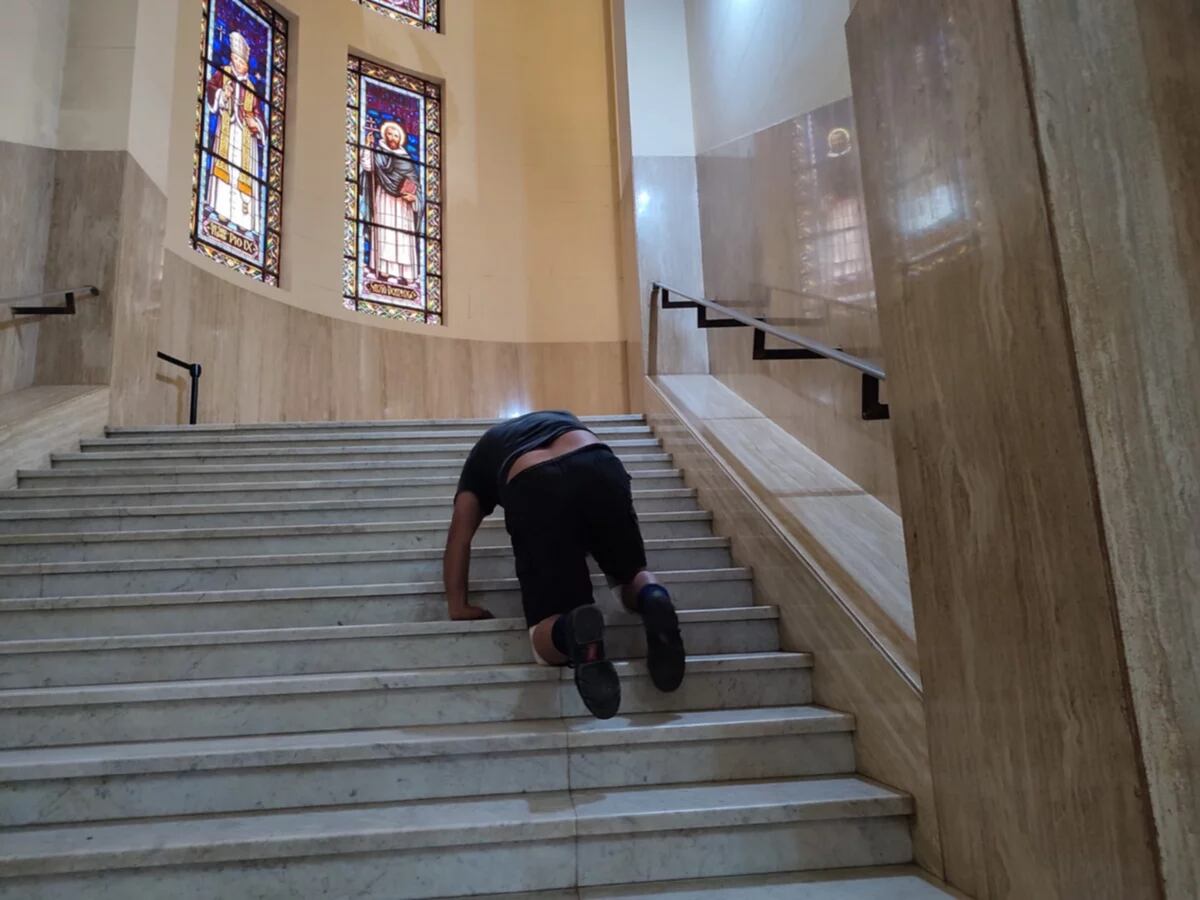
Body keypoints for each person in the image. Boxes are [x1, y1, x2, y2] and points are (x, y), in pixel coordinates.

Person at [444, 411, 686, 719]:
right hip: (596, 461)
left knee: (541, 638)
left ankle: (570, 630)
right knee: (628, 575)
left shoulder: (480, 456)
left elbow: (459, 535)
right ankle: (653, 597)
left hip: (533, 482)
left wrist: (458, 604)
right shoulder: (559, 417)